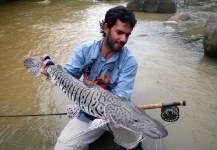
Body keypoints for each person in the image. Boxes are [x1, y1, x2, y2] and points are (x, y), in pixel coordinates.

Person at [46, 5, 143, 150]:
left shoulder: (130, 61)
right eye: (119, 32)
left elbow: (122, 94)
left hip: (117, 114)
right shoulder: (84, 49)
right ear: (106, 28)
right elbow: (67, 76)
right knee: (62, 147)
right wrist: (49, 71)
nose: (123, 39)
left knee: (133, 145)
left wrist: (115, 117)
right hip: (87, 109)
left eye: (127, 35)